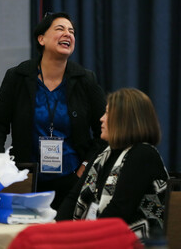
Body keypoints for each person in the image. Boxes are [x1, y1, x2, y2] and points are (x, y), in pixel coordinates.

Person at [0, 12, 107, 209]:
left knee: (65, 237)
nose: (68, 34)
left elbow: (105, 130)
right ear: (41, 39)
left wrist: (85, 166)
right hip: (25, 177)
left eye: (71, 31)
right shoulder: (18, 77)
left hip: (71, 179)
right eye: (60, 29)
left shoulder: (85, 80)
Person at [56, 88, 169, 239]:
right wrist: (55, 230)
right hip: (99, 235)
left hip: (131, 241)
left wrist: (81, 237)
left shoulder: (143, 155)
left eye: (108, 113)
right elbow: (73, 198)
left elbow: (119, 211)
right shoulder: (103, 153)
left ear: (125, 120)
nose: (101, 119)